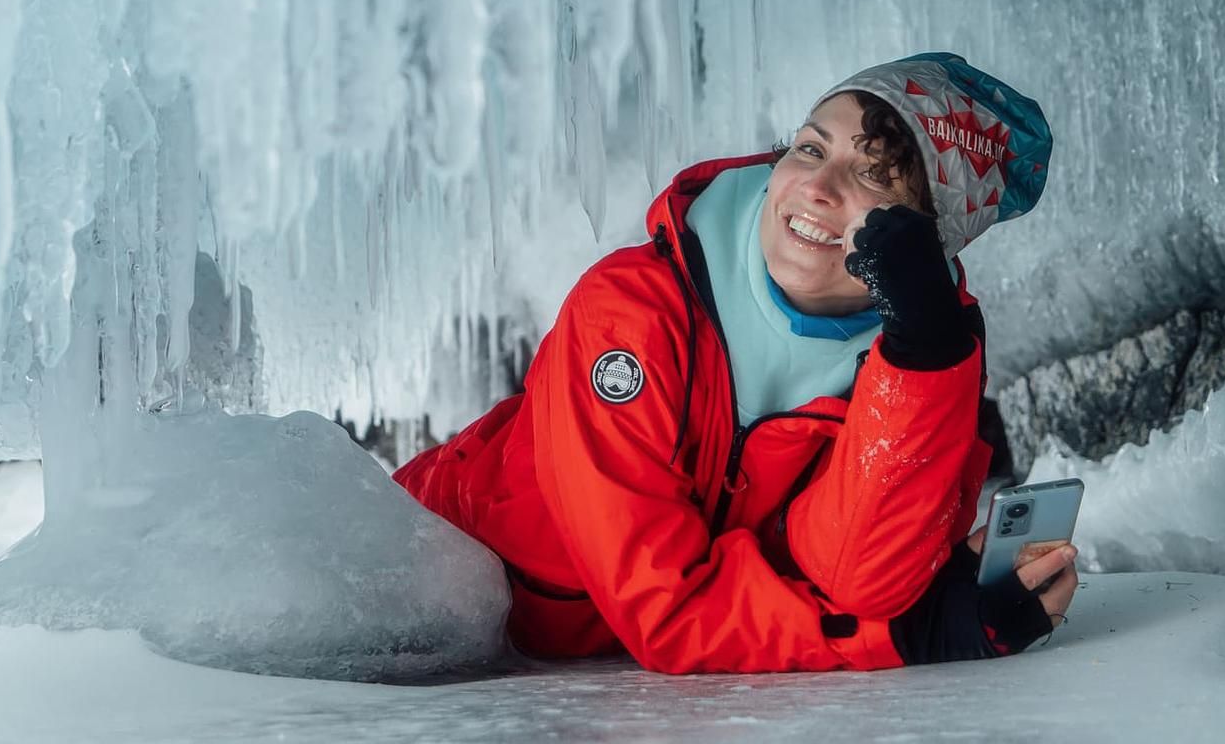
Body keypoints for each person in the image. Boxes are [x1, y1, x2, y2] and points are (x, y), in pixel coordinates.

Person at [395, 52, 1072, 674]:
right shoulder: (631, 312)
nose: (816, 187)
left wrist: (923, 355)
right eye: (810, 147)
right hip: (404, 576)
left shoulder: (921, 359)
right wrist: (902, 636)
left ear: (926, 239)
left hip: (559, 664)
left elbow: (858, 576)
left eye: (875, 174)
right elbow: (665, 608)